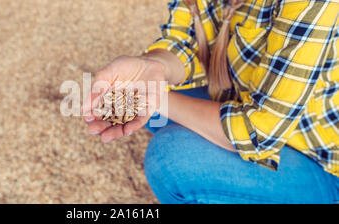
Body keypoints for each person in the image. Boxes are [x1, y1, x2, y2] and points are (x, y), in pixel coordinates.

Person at [82, 0, 339, 203]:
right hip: (249, 104)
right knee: (150, 109)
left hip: (319, 161)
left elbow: (260, 131)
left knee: (171, 158)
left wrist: (156, 98)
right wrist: (152, 67)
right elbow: (184, 41)